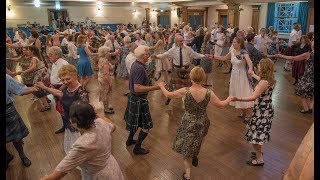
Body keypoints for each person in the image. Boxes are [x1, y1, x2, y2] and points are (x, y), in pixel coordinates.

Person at [158, 67, 235, 180]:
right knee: (198, 139)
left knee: (187, 147)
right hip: (203, 121)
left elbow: (168, 95)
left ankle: (187, 174)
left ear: (191, 77)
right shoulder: (209, 92)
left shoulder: (186, 90)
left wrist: (161, 86)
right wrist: (229, 98)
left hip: (189, 121)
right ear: (203, 78)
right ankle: (194, 153)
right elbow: (222, 105)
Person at [40, 101, 124, 180]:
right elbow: (113, 126)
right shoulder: (101, 123)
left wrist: (47, 178)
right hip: (111, 165)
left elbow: (60, 172)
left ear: (74, 123)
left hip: (99, 176)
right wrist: (95, 114)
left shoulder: (83, 144)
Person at [234, 58, 276, 166]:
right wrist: (253, 75)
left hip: (261, 112)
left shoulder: (262, 82)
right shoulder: (271, 80)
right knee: (259, 133)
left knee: (255, 137)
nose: (258, 66)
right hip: (266, 110)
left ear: (264, 68)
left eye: (260, 65)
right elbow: (262, 82)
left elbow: (253, 97)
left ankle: (259, 159)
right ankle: (258, 153)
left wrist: (238, 98)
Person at [153, 34, 210, 105]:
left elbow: (195, 54)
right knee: (172, 85)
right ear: (176, 42)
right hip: (177, 70)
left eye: (182, 40)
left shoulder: (187, 48)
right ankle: (169, 97)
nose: (182, 42)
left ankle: (189, 100)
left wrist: (204, 56)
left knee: (188, 87)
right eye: (180, 41)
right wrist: (156, 56)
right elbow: (165, 54)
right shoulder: (173, 50)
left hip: (186, 70)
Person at [124, 45, 160, 155]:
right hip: (139, 99)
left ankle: (130, 140)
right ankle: (137, 148)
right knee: (147, 126)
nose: (149, 55)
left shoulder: (137, 64)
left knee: (136, 122)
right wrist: (156, 87)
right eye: (147, 54)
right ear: (142, 55)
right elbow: (137, 87)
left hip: (134, 99)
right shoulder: (139, 68)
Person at [213, 37, 254, 122]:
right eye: (233, 42)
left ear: (240, 43)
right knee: (236, 94)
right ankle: (243, 113)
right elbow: (224, 58)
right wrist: (213, 56)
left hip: (241, 76)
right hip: (234, 76)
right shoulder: (232, 51)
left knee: (242, 94)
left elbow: (249, 61)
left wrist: (250, 68)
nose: (233, 44)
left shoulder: (244, 53)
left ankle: (248, 114)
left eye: (235, 42)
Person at [6, 74, 39, 169]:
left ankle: (22, 155)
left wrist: (35, 88)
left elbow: (20, 89)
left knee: (16, 138)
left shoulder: (6, 78)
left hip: (8, 111)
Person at [276, 41, 314, 113]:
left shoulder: (308, 54)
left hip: (308, 76)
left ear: (312, 46)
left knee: (301, 92)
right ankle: (311, 108)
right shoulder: (308, 54)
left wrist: (282, 56)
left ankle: (306, 109)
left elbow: (294, 58)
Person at [16, 46, 51, 112]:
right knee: (41, 88)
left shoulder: (34, 58)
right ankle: (46, 99)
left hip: (40, 74)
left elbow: (34, 67)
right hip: (43, 73)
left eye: (28, 50)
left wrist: (24, 71)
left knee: (37, 89)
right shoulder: (36, 57)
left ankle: (46, 105)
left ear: (32, 51)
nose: (27, 51)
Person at [46, 46, 70, 134]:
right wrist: (52, 86)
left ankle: (69, 126)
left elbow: (68, 79)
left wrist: (60, 89)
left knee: (65, 107)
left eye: (50, 54)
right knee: (60, 108)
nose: (49, 56)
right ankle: (65, 125)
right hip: (56, 88)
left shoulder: (64, 63)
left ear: (57, 55)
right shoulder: (54, 63)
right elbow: (53, 76)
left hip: (62, 88)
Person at [98, 46, 114, 114]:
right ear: (105, 53)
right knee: (106, 94)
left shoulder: (101, 59)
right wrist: (110, 82)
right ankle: (106, 109)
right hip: (105, 80)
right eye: (108, 52)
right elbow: (106, 73)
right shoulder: (105, 61)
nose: (109, 53)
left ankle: (107, 106)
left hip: (100, 78)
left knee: (105, 93)